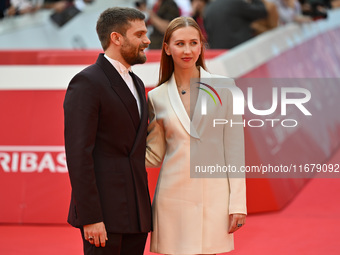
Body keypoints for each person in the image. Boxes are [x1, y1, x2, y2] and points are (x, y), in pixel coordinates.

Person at [146, 16, 247, 254]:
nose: (187, 50)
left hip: (215, 199)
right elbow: (154, 155)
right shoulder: (156, 97)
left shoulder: (225, 88)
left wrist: (237, 204)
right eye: (179, 44)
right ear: (167, 48)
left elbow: (234, 150)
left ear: (201, 46)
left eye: (193, 42)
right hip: (172, 200)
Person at [63, 7, 152, 255]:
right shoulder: (88, 81)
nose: (147, 40)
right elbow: (79, 155)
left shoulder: (137, 82)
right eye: (140, 34)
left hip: (136, 214)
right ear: (116, 38)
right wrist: (90, 217)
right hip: (103, 215)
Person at [204, 0, 268, 49]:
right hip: (240, 52)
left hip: (221, 56)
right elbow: (261, 12)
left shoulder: (208, 8)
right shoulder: (235, 2)